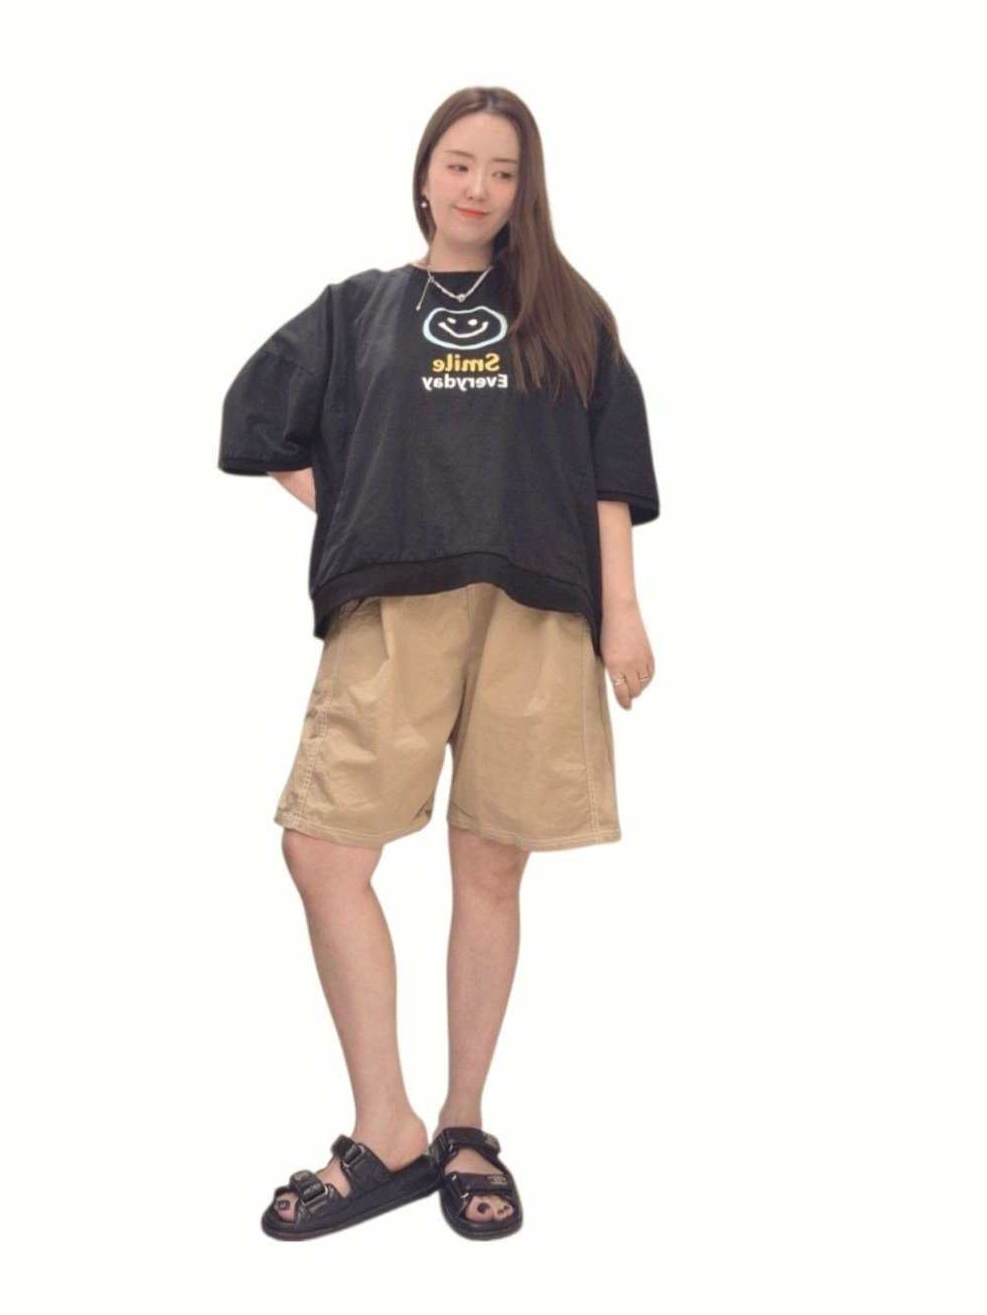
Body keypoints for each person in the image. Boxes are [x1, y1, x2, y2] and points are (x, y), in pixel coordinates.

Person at [217, 85, 660, 1242]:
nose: (478, 187)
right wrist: (359, 509)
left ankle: (465, 1124)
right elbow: (258, 424)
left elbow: (609, 474)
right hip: (393, 612)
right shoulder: (356, 310)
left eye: (503, 171)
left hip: (535, 608)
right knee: (323, 850)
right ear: (424, 174)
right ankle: (388, 1128)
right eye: (460, 163)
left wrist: (622, 614)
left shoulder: (566, 313)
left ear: (525, 190)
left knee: (492, 868)